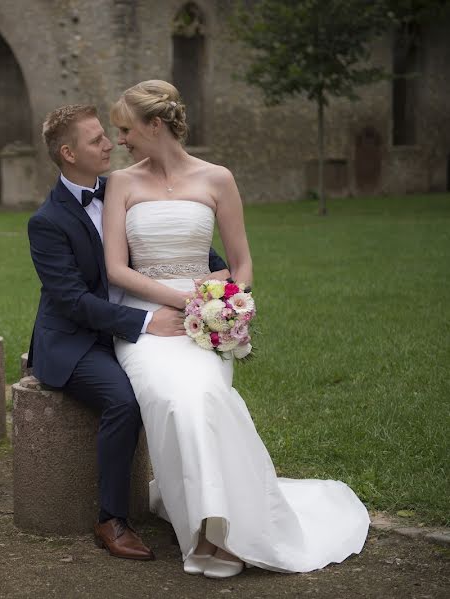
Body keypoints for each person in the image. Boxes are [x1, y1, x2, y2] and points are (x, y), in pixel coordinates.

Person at [103, 80, 370, 578]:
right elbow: (117, 270)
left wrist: (225, 304)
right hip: (149, 323)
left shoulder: (217, 179)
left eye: (125, 129)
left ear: (153, 125)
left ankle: (221, 529)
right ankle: (204, 530)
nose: (120, 140)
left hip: (203, 323)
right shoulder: (121, 183)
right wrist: (182, 301)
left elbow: (243, 263)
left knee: (204, 395)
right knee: (170, 398)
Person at [25, 104, 228, 560]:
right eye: (96, 139)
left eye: (107, 135)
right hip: (78, 341)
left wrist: (219, 279)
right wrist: (143, 322)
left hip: (141, 321)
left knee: (181, 389)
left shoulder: (123, 188)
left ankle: (194, 506)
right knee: (125, 399)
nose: (109, 144)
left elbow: (167, 242)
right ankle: (111, 518)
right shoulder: (46, 222)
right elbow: (73, 302)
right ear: (68, 153)